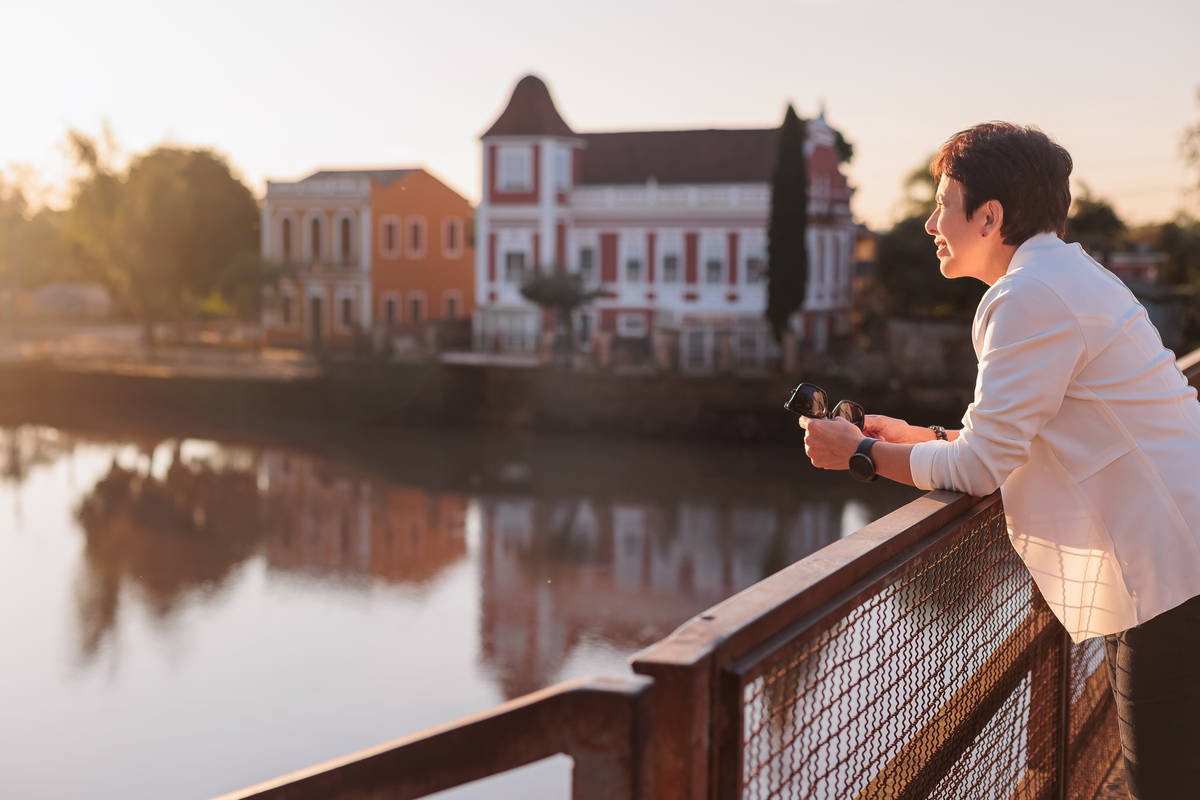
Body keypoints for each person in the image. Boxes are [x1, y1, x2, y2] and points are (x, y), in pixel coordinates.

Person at [798, 122, 1200, 800]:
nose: (930, 221)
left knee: (1165, 783)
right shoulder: (1063, 273)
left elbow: (984, 470)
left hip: (1170, 576)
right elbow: (1019, 436)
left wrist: (862, 454)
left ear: (989, 216)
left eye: (943, 202)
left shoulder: (1025, 296)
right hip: (1175, 558)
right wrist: (921, 437)